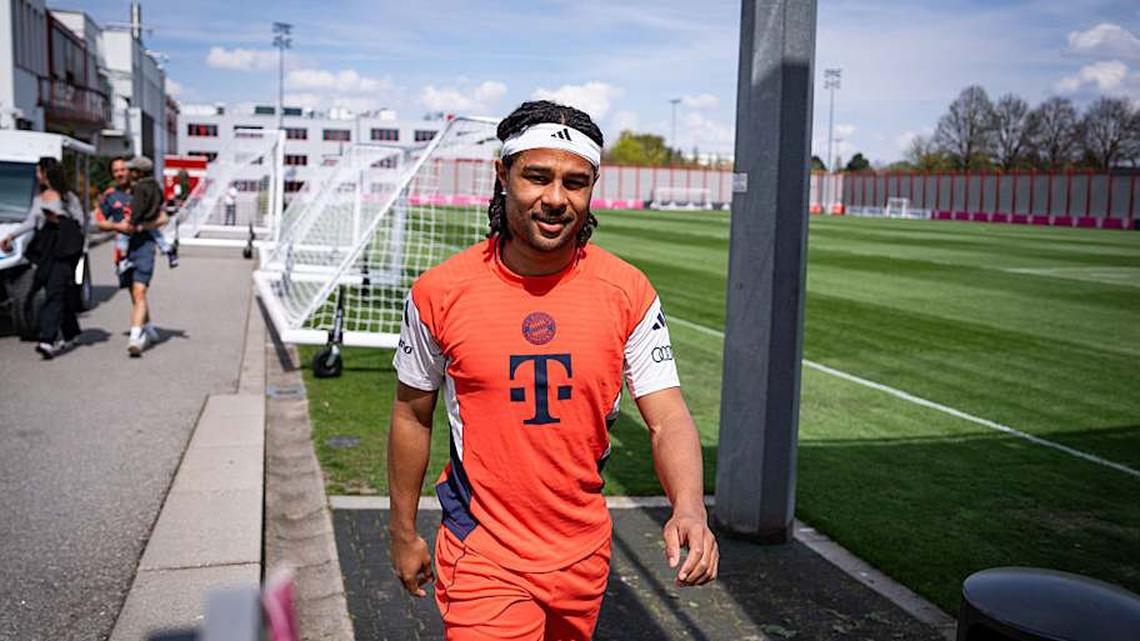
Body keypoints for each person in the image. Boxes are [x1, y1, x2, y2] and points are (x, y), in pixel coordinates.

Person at [388, 101, 718, 641]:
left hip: (582, 553)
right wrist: (402, 531)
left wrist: (689, 507)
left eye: (575, 182)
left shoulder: (628, 291)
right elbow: (411, 415)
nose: (556, 200)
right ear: (502, 175)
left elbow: (668, 417)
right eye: (536, 177)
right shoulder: (440, 292)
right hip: (483, 552)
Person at [0, 157, 86, 359]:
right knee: (56, 292)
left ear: (46, 173)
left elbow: (80, 222)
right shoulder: (39, 198)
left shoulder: (68, 198)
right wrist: (11, 236)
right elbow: (31, 222)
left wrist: (59, 219)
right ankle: (72, 332)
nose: (37, 175)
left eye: (39, 171)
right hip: (46, 249)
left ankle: (47, 340)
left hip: (64, 250)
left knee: (54, 293)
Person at [95, 157, 168, 357]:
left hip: (144, 246)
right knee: (134, 293)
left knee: (139, 291)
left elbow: (163, 217)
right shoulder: (110, 196)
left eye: (122, 170)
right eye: (115, 171)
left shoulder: (145, 190)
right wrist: (117, 226)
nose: (119, 174)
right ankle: (148, 325)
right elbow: (98, 221)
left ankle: (135, 338)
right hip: (122, 249)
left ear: (131, 171)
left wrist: (142, 226)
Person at [124, 156, 178, 269]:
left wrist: (133, 221)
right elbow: (162, 198)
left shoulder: (140, 187)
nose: (130, 172)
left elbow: (138, 206)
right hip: (153, 215)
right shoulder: (155, 184)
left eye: (132, 170)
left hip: (142, 218)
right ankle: (168, 250)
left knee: (128, 238)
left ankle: (126, 259)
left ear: (140, 173)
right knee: (156, 235)